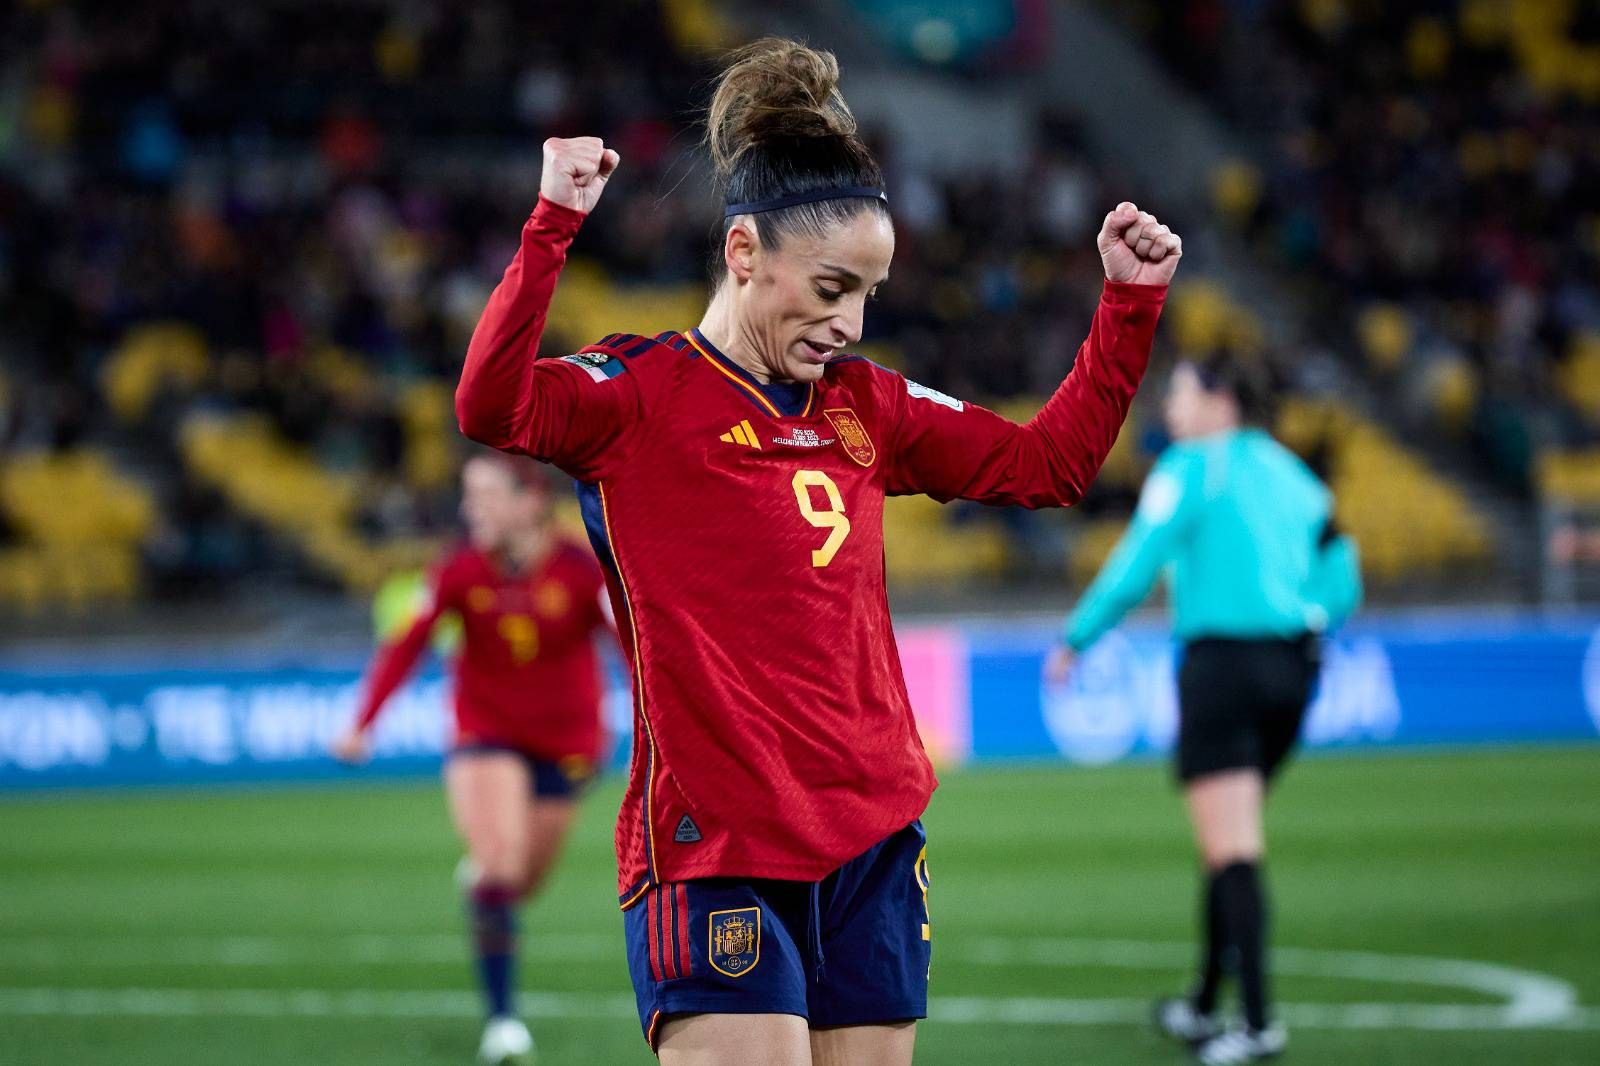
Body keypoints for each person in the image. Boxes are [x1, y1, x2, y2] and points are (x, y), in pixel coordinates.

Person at [456, 38, 1181, 1066]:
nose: (847, 321)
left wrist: (1126, 306)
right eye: (831, 287)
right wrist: (552, 225)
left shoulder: (868, 405)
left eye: (867, 296)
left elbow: (1048, 467)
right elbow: (490, 402)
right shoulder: (638, 396)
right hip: (717, 850)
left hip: (873, 840)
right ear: (744, 252)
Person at [1045, 352, 1362, 1065]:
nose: (1171, 410)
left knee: (1234, 850)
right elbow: (1344, 566)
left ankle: (1255, 1024)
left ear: (1222, 401)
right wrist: (1312, 615)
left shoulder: (1190, 468)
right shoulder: (1292, 474)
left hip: (1222, 665)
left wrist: (1077, 639)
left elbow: (1137, 560)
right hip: (1292, 667)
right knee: (1226, 844)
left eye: (1182, 394)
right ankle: (1201, 1003)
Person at [332, 452, 613, 1065]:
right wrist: (362, 722)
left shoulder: (581, 568)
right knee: (499, 866)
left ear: (528, 502)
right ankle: (503, 1022)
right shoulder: (458, 569)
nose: (469, 509)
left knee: (519, 883)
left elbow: (633, 638)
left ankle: (486, 879)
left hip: (569, 746)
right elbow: (407, 645)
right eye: (468, 495)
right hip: (484, 735)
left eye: (484, 495)